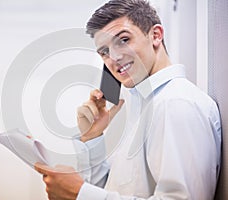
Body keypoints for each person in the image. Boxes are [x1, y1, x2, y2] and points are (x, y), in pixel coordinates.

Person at [35, 0, 222, 199]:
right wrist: (92, 138)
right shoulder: (142, 107)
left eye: (123, 40)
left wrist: (81, 195)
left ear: (156, 36)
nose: (113, 57)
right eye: (104, 52)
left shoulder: (175, 104)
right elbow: (112, 191)